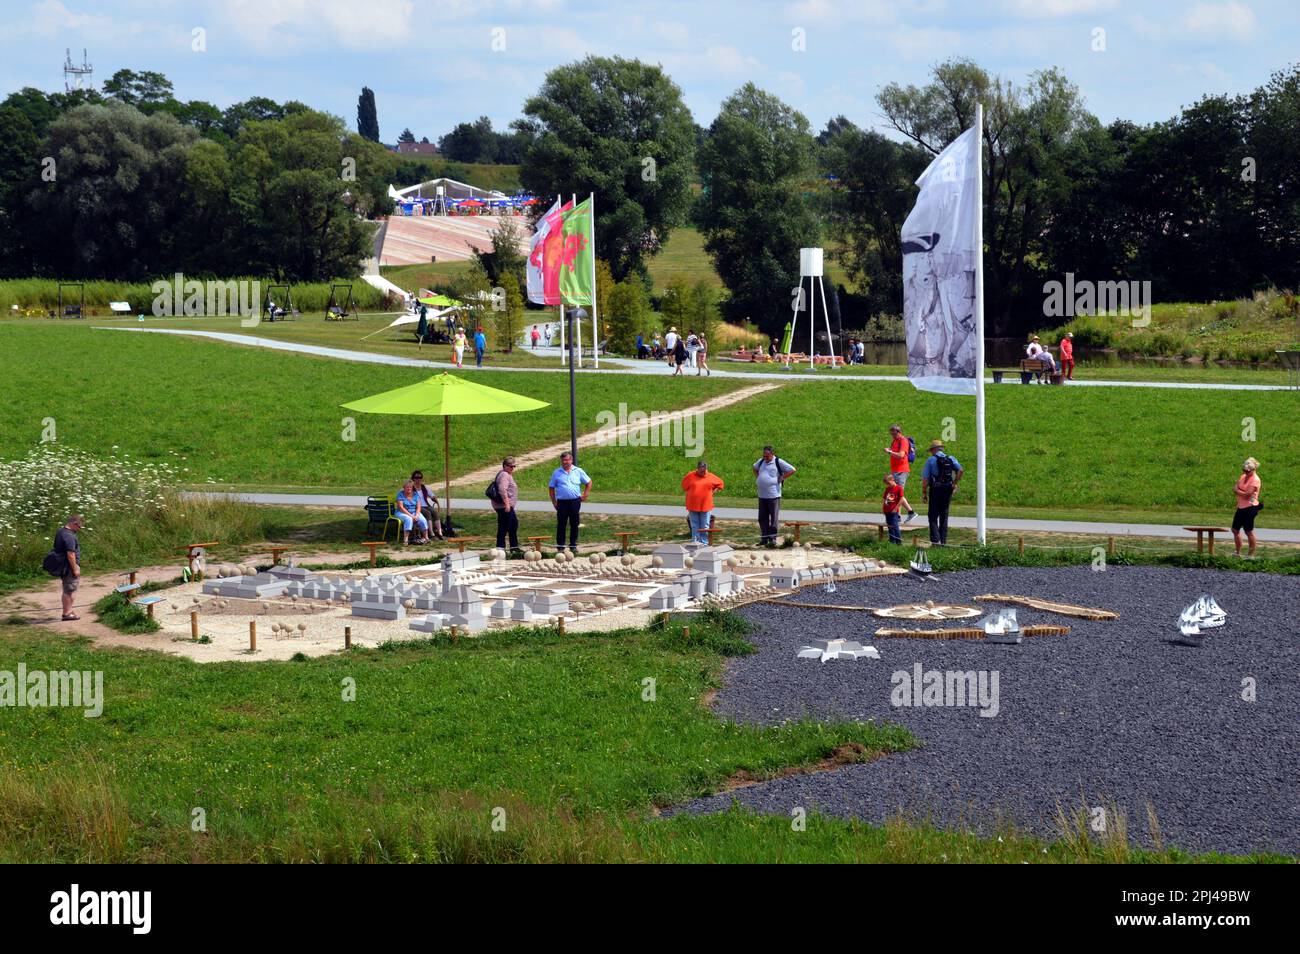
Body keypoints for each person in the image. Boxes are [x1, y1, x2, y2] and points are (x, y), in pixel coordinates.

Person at [921, 440, 963, 546]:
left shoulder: (930, 460)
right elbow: (960, 470)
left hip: (935, 489)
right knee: (944, 514)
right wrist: (954, 483)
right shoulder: (951, 458)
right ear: (941, 448)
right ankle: (943, 541)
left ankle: (935, 541)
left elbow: (925, 479)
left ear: (934, 450)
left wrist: (924, 492)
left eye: (931, 450)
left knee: (933, 515)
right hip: (948, 489)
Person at [548, 451, 591, 553]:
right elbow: (551, 488)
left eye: (567, 460)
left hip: (575, 501)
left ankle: (573, 545)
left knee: (574, 523)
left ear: (571, 460)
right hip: (562, 502)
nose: (565, 462)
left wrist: (585, 494)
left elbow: (588, 482)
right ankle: (560, 546)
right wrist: (554, 501)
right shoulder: (557, 472)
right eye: (563, 460)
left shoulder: (578, 471)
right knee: (561, 524)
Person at [753, 446, 795, 546]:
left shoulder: (778, 462)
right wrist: (759, 478)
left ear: (772, 454)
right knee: (762, 518)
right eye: (763, 455)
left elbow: (792, 469)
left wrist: (782, 477)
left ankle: (772, 539)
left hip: (773, 495)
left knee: (773, 518)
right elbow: (754, 468)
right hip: (762, 495)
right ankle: (764, 538)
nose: (765, 458)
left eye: (767, 456)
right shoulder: (761, 461)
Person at [682, 460, 724, 544]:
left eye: (704, 470)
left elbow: (720, 484)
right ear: (697, 469)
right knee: (694, 525)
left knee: (705, 525)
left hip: (706, 505)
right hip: (692, 505)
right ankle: (695, 542)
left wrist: (713, 491)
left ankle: (704, 543)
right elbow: (684, 486)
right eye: (701, 470)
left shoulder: (710, 476)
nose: (702, 472)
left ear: (706, 469)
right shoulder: (690, 475)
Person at [52, 515, 84, 621]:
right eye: (79, 527)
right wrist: (75, 568)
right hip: (69, 566)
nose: (79, 530)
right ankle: (66, 613)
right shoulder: (69, 536)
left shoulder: (61, 531)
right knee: (69, 589)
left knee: (68, 588)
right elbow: (70, 554)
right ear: (74, 524)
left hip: (63, 565)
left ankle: (69, 610)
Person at [885, 425, 918, 523]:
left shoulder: (903, 441)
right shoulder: (895, 441)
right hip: (895, 470)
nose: (893, 436)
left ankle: (910, 512)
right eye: (891, 434)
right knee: (896, 493)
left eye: (894, 434)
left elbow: (901, 455)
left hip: (901, 470)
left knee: (898, 493)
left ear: (899, 432)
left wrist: (890, 452)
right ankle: (898, 517)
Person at [1232, 457, 1262, 559]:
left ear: (1253, 470)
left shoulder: (1256, 480)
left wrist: (1238, 491)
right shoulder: (1243, 476)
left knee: (1248, 531)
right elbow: (1235, 487)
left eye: (1247, 471)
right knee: (1235, 530)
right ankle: (1237, 552)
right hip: (1241, 506)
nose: (1245, 472)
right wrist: (1240, 492)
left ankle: (1251, 555)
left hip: (1250, 507)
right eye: (1244, 470)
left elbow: (1247, 494)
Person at [491, 457, 520, 554]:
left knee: (513, 525)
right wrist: (507, 504)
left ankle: (513, 547)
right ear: (505, 466)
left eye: (514, 466)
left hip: (505, 506)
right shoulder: (504, 475)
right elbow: (502, 489)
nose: (513, 468)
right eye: (511, 466)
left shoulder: (505, 474)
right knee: (504, 526)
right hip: (504, 507)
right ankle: (501, 548)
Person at [411, 470, 444, 540]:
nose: (418, 479)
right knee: (428, 513)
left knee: (435, 512)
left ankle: (440, 532)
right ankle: (431, 533)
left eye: (420, 477)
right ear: (413, 478)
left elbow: (432, 495)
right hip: (417, 507)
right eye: (416, 477)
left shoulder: (424, 487)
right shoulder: (411, 488)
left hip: (426, 505)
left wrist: (434, 498)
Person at [395, 480, 430, 545]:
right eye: (407, 487)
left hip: (414, 511)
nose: (409, 488)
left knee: (422, 519)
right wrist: (411, 516)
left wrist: (416, 515)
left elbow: (418, 507)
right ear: (404, 487)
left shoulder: (415, 494)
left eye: (410, 487)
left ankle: (426, 538)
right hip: (401, 512)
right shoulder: (400, 494)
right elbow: (401, 508)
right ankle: (405, 540)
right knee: (408, 519)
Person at [882, 474, 908, 545]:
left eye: (888, 483)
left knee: (895, 526)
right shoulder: (887, 489)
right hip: (887, 510)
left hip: (893, 511)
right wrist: (883, 507)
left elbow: (901, 499)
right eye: (886, 484)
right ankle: (892, 541)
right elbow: (884, 499)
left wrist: (896, 508)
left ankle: (899, 542)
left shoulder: (899, 488)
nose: (888, 485)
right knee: (889, 526)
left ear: (892, 480)